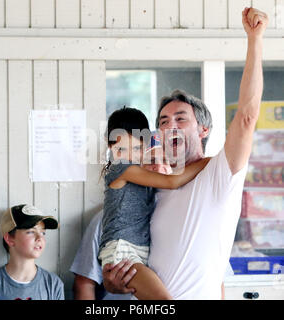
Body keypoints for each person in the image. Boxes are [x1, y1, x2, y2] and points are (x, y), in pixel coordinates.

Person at [102, 7, 268, 300]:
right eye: (163, 122)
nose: (170, 126)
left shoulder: (220, 172)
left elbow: (247, 115)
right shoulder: (152, 187)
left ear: (203, 130)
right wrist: (114, 284)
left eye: (181, 118)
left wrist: (255, 39)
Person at [98, 108, 210, 300]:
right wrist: (213, 162)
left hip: (141, 251)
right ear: (110, 148)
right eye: (121, 149)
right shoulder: (120, 168)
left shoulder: (144, 173)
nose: (130, 155)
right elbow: (171, 181)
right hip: (123, 249)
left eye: (137, 149)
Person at [70, 133, 172, 300]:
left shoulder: (180, 216)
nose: (160, 168)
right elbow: (84, 283)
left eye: (166, 161)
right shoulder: (107, 219)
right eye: (151, 161)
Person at [0, 204, 65, 300]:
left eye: (43, 233)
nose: (40, 238)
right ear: (9, 239)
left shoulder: (53, 283)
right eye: (31, 232)